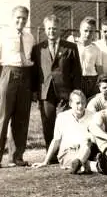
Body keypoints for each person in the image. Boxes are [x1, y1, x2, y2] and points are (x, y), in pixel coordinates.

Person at [0, 6, 35, 169]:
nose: (21, 21)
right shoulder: (2, 35)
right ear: (12, 17)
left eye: (24, 18)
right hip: (8, 73)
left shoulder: (29, 37)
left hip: (25, 75)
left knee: (21, 118)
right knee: (3, 116)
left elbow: (31, 59)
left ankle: (16, 156)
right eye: (18, 18)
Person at [31, 14, 82, 152]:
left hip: (65, 91)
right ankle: (51, 152)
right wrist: (34, 91)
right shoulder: (38, 48)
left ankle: (65, 151)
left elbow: (77, 71)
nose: (51, 31)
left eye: (54, 28)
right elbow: (35, 72)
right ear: (45, 29)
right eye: (49, 29)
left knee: (65, 121)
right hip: (45, 90)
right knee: (48, 122)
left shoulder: (70, 47)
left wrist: (76, 92)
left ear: (60, 29)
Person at [31, 90, 105, 174]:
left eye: (83, 103)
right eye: (77, 103)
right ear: (70, 104)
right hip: (68, 152)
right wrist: (45, 161)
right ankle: (96, 166)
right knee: (76, 160)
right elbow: (56, 140)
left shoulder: (92, 116)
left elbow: (98, 136)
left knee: (86, 142)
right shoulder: (62, 117)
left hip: (87, 148)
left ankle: (81, 164)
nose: (81, 106)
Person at [67, 17, 103, 99]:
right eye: (85, 30)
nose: (88, 34)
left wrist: (100, 83)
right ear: (80, 30)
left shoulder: (96, 49)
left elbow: (100, 70)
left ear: (94, 32)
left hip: (91, 80)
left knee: (89, 106)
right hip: (75, 79)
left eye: (91, 31)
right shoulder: (72, 44)